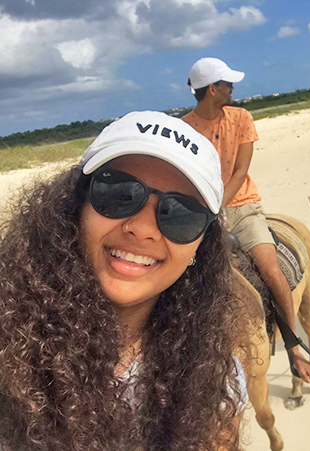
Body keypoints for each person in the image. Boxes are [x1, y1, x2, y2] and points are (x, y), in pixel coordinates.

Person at [0, 111, 255, 451]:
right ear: (74, 204)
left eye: (181, 215)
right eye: (118, 194)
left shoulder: (215, 382)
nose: (143, 229)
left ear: (201, 246)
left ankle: (295, 341)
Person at [181, 58, 310, 384]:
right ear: (212, 89)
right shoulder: (183, 128)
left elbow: (240, 172)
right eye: (228, 84)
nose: (232, 89)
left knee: (270, 268)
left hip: (243, 207)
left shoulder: (241, 117)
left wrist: (219, 208)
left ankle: (294, 342)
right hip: (203, 214)